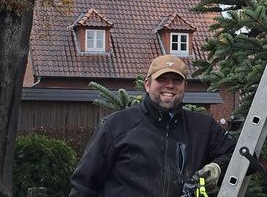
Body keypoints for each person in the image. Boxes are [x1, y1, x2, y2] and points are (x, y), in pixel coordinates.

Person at [69, 55, 236, 196]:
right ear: (147, 85)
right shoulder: (116, 126)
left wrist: (217, 168)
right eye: (161, 79)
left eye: (177, 80)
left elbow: (244, 157)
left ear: (185, 86)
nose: (170, 85)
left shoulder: (203, 128)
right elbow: (83, 186)